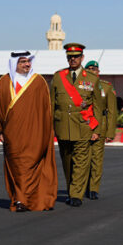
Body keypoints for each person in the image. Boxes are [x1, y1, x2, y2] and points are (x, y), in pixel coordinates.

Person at [0, 51, 57, 212]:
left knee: (31, 164)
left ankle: (26, 200)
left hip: (35, 134)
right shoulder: (4, 81)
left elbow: (46, 110)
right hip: (12, 134)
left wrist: (47, 133)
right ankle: (20, 199)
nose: (27, 64)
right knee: (17, 166)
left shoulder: (39, 82)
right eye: (22, 62)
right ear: (15, 63)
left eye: (28, 61)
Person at [50, 43, 101, 207]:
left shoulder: (91, 79)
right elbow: (51, 104)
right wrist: (50, 127)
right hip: (63, 126)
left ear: (82, 58)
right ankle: (72, 188)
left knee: (81, 161)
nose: (73, 59)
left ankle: (76, 194)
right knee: (67, 161)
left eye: (76, 56)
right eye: (70, 57)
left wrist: (97, 129)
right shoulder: (58, 77)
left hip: (83, 125)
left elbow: (97, 107)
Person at [84, 60, 118, 200]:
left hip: (100, 126)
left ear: (99, 72)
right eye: (90, 69)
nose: (93, 71)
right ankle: (80, 187)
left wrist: (110, 132)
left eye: (95, 69)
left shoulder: (106, 87)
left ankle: (93, 188)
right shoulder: (81, 86)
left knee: (96, 160)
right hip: (83, 125)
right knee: (81, 159)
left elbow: (112, 111)